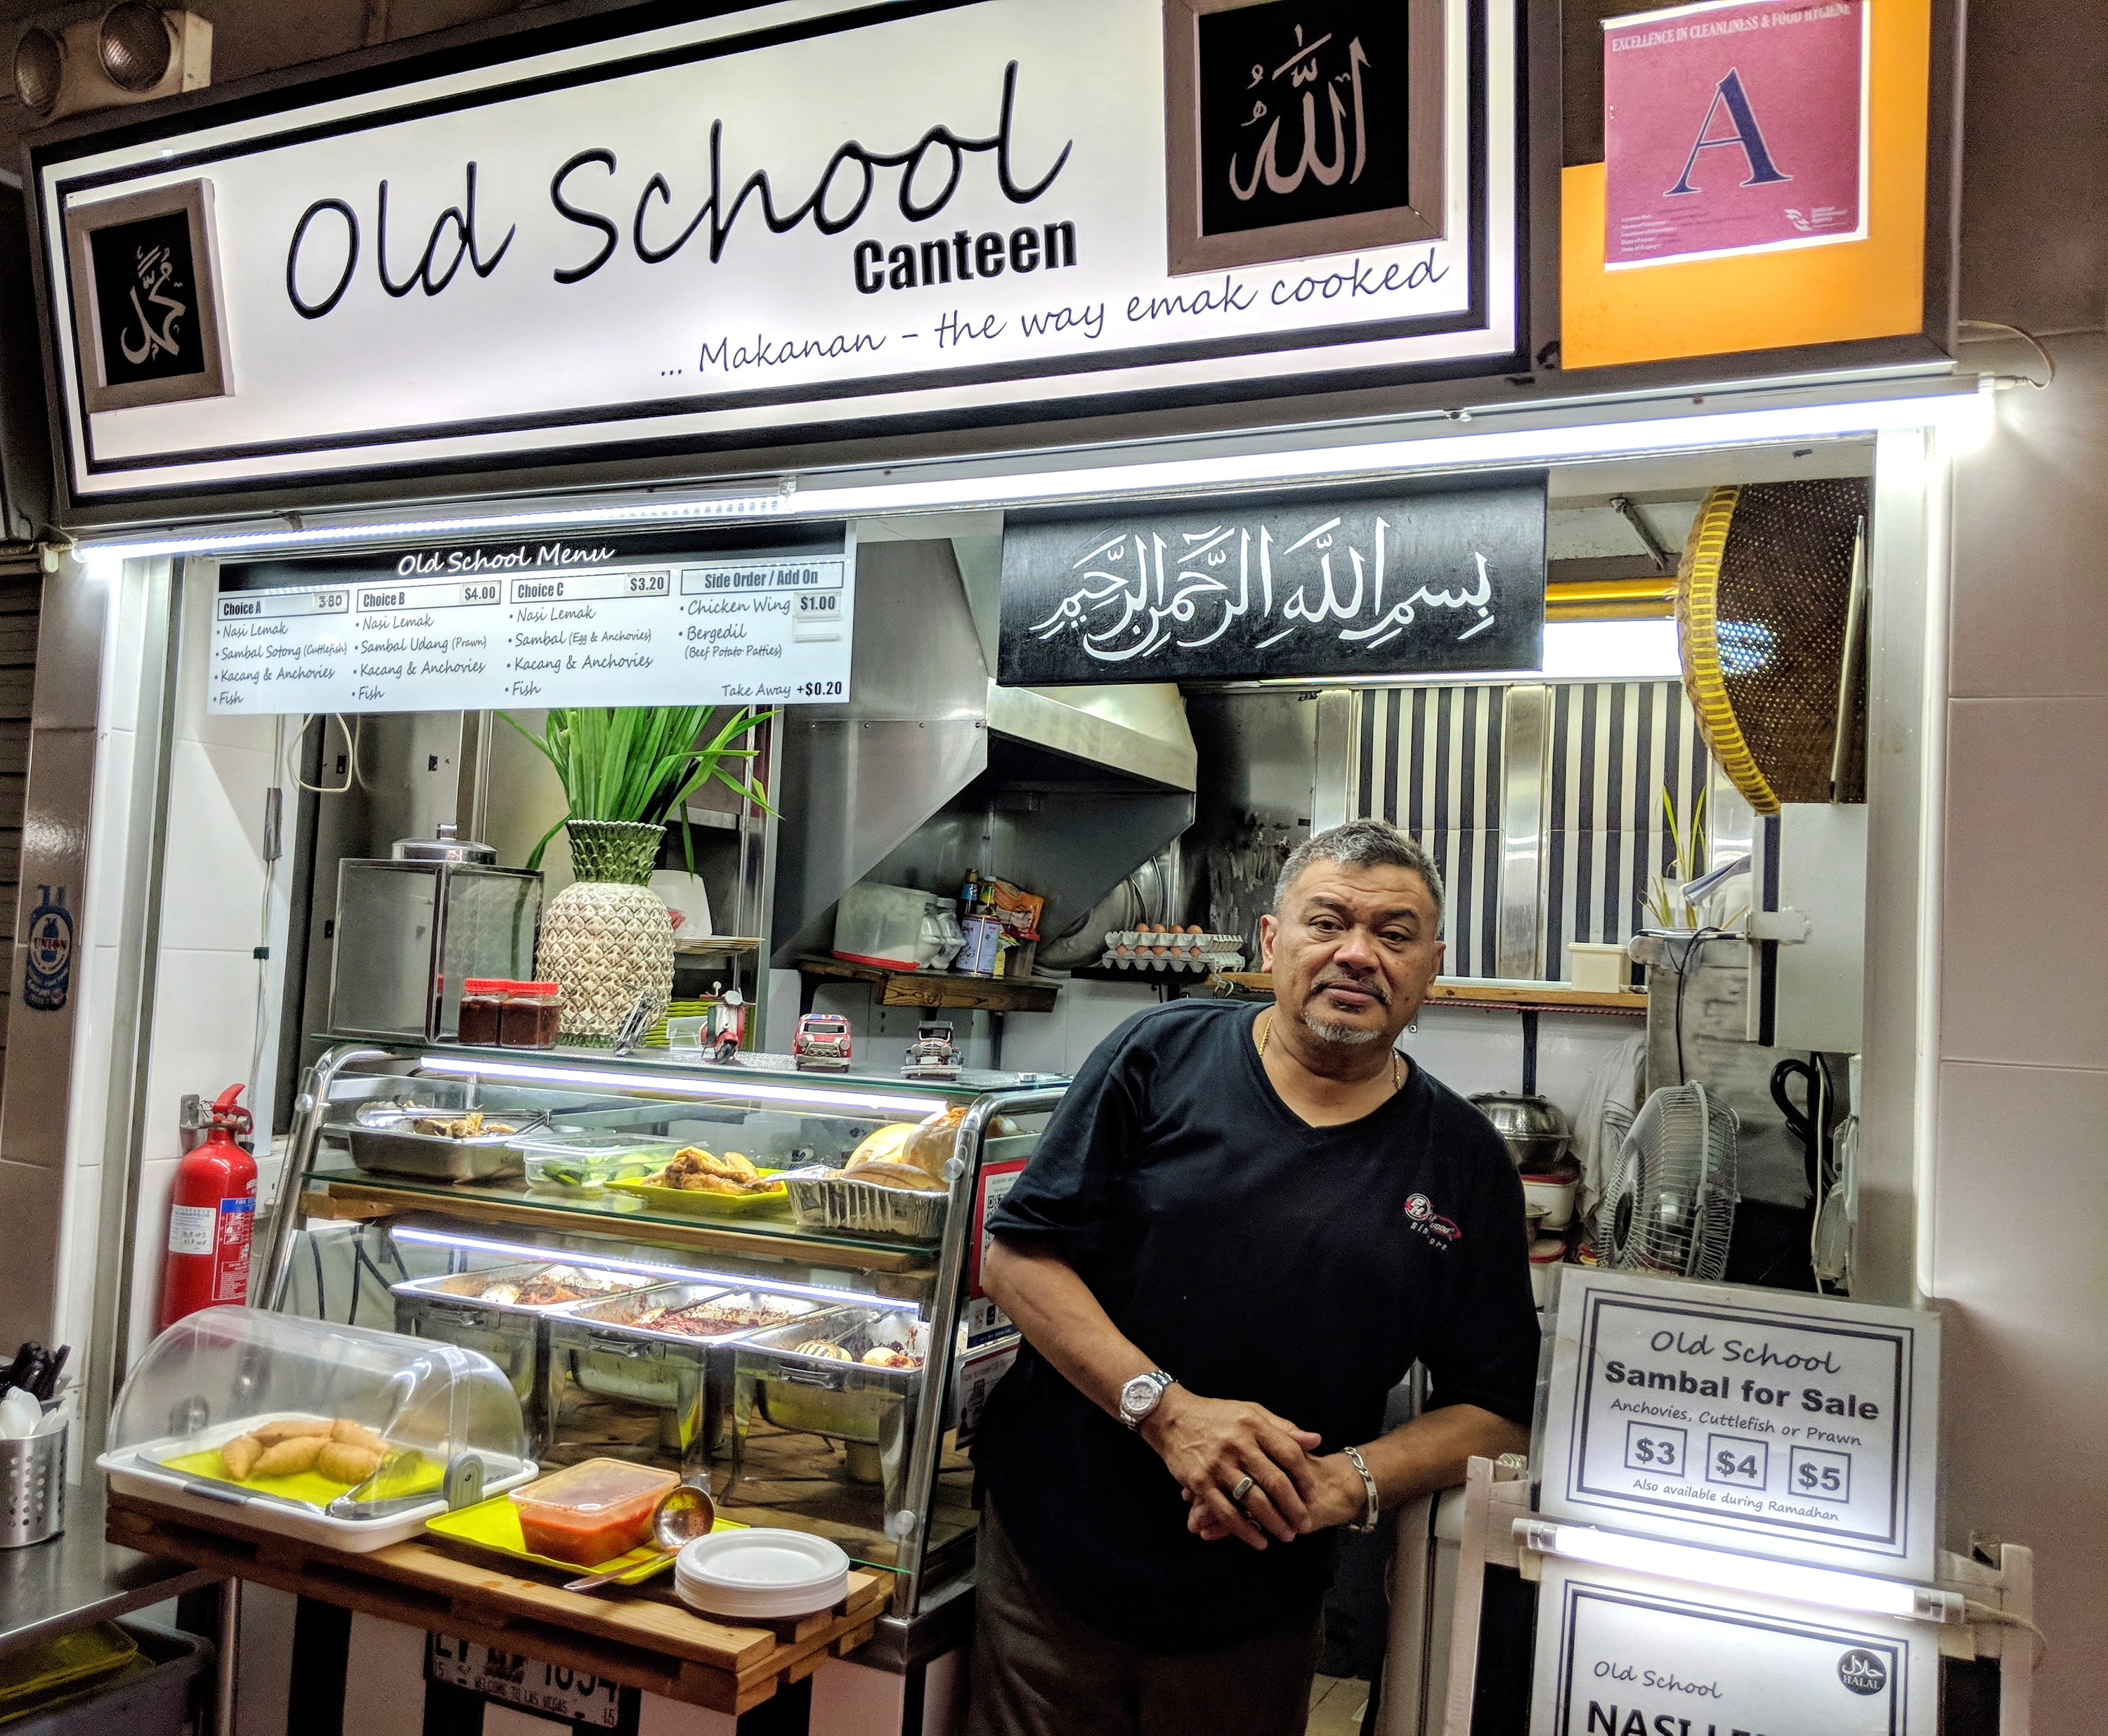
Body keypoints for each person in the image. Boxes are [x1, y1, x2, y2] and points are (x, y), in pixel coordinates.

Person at [968, 818, 1539, 1736]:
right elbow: (1017, 1257)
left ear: (1432, 965)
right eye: (1328, 923)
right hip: (1056, 1562)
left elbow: (1497, 1407)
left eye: (1393, 935)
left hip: (1260, 1596)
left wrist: (1350, 1481)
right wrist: (1169, 1412)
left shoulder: (1463, 1159)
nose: (1357, 954)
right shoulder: (1158, 1056)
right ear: (1273, 943)